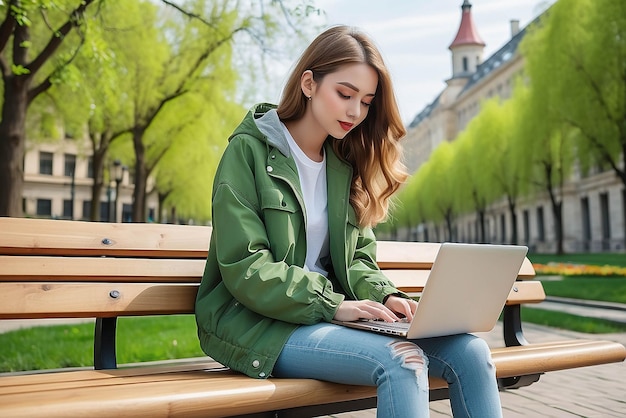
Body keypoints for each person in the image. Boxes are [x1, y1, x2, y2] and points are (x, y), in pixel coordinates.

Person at [195, 25, 503, 418]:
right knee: (401, 361)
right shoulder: (248, 153)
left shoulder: (343, 164)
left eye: (367, 101)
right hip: (261, 324)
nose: (356, 112)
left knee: (472, 352)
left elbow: (358, 259)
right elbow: (246, 268)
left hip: (327, 316)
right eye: (344, 94)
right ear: (309, 83)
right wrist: (333, 304)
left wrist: (385, 297)